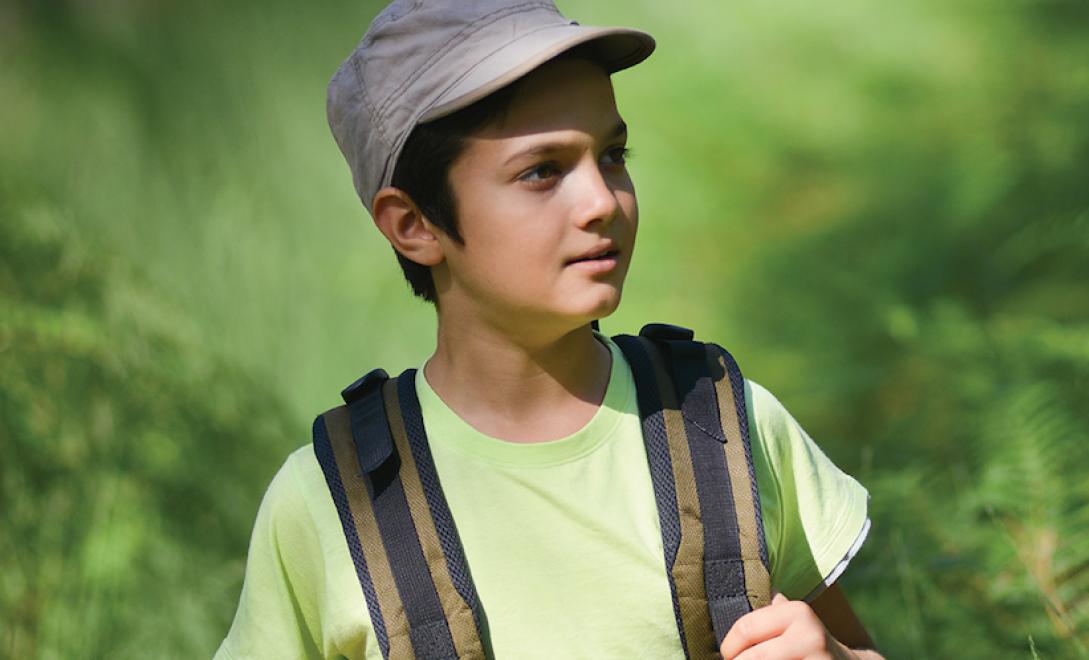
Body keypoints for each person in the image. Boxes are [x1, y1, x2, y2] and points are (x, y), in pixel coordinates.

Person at [217, 1, 882, 658]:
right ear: (413, 225)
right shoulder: (330, 504)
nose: (602, 202)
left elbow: (854, 647)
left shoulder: (723, 428)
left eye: (614, 154)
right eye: (542, 171)